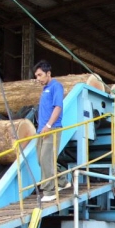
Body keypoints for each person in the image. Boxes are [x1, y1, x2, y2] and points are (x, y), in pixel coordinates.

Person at [33, 60, 70, 202]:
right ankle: (62, 182)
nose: (38, 78)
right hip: (42, 130)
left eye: (40, 75)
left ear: (48, 73)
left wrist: (48, 125)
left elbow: (58, 107)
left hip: (52, 129)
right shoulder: (45, 89)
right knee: (40, 159)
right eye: (36, 76)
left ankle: (49, 191)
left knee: (45, 158)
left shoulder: (56, 86)